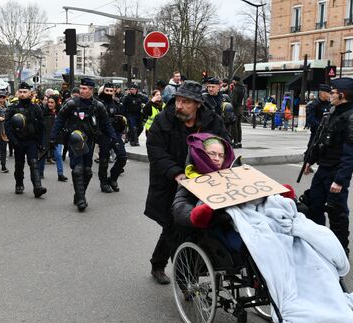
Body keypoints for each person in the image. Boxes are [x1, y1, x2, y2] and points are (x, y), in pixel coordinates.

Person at [144, 80, 229, 284]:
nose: (179, 106)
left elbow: (224, 145)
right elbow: (155, 149)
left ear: (197, 104)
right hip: (170, 182)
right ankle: (184, 282)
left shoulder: (212, 121)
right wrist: (176, 173)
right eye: (178, 100)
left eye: (185, 102)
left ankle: (159, 263)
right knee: (173, 226)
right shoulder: (165, 119)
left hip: (202, 182)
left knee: (186, 228)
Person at [303, 77, 353, 256]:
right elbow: (321, 140)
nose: (329, 95)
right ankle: (319, 244)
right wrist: (311, 160)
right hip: (323, 168)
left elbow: (352, 155)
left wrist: (340, 180)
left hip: (336, 171)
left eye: (332, 92)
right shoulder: (333, 112)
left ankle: (340, 251)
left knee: (337, 213)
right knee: (314, 205)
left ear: (342, 94)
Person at [50, 78, 118, 211]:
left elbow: (106, 124)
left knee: (87, 171)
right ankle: (81, 199)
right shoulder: (71, 104)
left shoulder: (98, 106)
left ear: (91, 90)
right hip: (74, 141)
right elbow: (60, 120)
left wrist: (114, 138)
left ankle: (79, 194)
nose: (82, 90)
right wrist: (53, 137)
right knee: (77, 169)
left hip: (89, 141)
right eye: (81, 88)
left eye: (85, 89)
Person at [5, 82, 46, 198]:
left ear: (30, 94)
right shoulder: (12, 108)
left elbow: (41, 126)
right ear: (17, 93)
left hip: (31, 140)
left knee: (34, 163)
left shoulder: (36, 108)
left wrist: (40, 142)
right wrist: (13, 140)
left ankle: (37, 187)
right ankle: (19, 183)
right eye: (21, 92)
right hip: (18, 141)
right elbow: (8, 126)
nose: (22, 94)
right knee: (19, 164)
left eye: (25, 92)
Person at [97, 83, 127, 193]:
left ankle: (113, 178)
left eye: (111, 91)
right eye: (107, 91)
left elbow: (122, 117)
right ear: (103, 91)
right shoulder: (98, 103)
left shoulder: (116, 103)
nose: (109, 93)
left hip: (115, 133)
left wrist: (122, 129)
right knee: (104, 160)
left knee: (122, 156)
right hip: (103, 134)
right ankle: (103, 183)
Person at [40, 95, 67, 182]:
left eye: (52, 102)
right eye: (49, 102)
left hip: (57, 138)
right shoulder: (44, 112)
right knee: (42, 156)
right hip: (45, 137)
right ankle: (40, 173)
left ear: (56, 103)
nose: (50, 104)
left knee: (58, 155)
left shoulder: (60, 113)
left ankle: (60, 174)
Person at [230, 75, 245, 148]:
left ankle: (235, 142)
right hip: (240, 109)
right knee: (239, 126)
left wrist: (231, 107)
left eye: (233, 80)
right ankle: (239, 142)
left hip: (235, 109)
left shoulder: (236, 89)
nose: (232, 81)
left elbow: (234, 101)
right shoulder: (243, 88)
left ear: (235, 81)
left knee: (234, 126)